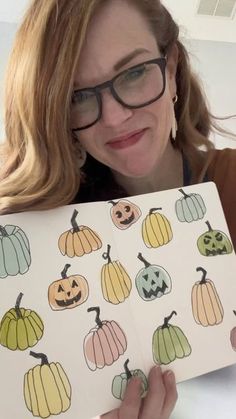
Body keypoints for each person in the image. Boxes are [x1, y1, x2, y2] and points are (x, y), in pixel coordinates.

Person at [0, 0, 235, 417]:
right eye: (78, 96)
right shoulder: (49, 230)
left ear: (172, 67)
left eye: (134, 73)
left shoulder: (231, 183)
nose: (114, 117)